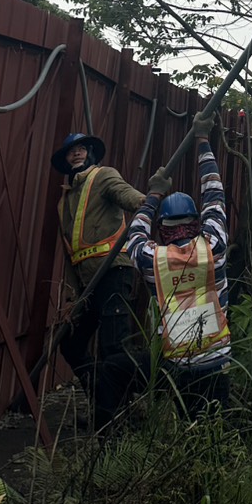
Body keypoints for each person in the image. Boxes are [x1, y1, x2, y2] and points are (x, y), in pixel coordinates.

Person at [126, 114, 231, 415]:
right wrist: (202, 141)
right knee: (216, 428)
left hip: (177, 364)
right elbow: (214, 195)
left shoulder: (151, 260)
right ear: (197, 222)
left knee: (187, 424)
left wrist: (153, 195)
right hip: (216, 359)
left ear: (162, 227)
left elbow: (135, 233)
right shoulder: (215, 246)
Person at [52, 131, 145, 429]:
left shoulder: (104, 176)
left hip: (114, 272)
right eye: (71, 152)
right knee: (70, 344)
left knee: (112, 348)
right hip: (86, 285)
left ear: (90, 153)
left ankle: (118, 417)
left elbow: (129, 196)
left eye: (81, 149)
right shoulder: (64, 201)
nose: (76, 154)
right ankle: (106, 401)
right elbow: (70, 254)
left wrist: (150, 199)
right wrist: (71, 298)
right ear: (65, 160)